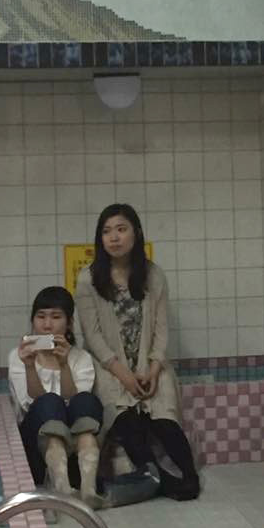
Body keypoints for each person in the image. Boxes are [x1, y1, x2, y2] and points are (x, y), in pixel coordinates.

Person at [75, 203, 199, 501]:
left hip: (149, 362)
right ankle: (159, 478)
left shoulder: (154, 276)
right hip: (109, 367)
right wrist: (125, 376)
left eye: (121, 229)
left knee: (164, 413)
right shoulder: (88, 279)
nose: (114, 237)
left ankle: (190, 476)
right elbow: (93, 337)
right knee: (124, 415)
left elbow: (161, 329)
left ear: (137, 233)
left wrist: (153, 369)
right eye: (107, 231)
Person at [8, 286, 103, 515]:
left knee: (86, 401)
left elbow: (75, 402)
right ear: (33, 321)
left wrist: (64, 365)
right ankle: (62, 489)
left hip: (74, 445)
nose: (47, 324)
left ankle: (88, 489)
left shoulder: (81, 358)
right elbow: (30, 404)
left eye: (56, 317)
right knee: (49, 403)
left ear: (69, 323)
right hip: (37, 445)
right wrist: (30, 366)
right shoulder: (18, 357)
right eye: (41, 317)